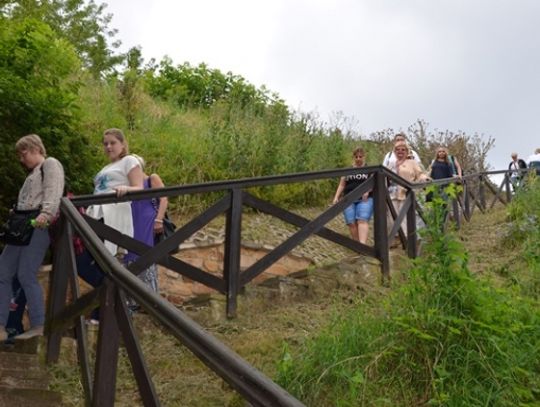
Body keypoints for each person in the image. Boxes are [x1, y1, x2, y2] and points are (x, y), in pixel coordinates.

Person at [0, 134, 65, 341]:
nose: (21, 159)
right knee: (3, 272)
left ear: (36, 147)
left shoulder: (50, 164)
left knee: (26, 274)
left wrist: (46, 214)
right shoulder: (32, 174)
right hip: (21, 228)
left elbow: (53, 191)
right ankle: (1, 326)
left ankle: (38, 324)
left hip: (37, 227)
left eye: (23, 153)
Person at [86, 128, 144, 260]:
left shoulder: (129, 160)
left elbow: (139, 187)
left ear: (122, 144)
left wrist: (126, 188)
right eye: (105, 144)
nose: (108, 147)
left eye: (113, 143)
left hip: (113, 212)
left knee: (106, 257)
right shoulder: (106, 168)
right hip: (96, 212)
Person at [124, 154, 168, 300]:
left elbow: (164, 198)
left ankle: (151, 297)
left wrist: (159, 219)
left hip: (147, 220)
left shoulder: (151, 179)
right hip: (132, 219)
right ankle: (132, 299)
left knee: (145, 254)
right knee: (129, 254)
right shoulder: (128, 182)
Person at [387, 141, 430, 238]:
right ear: (394, 152)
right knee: (391, 217)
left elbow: (420, 174)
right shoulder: (391, 163)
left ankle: (407, 240)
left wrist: (424, 178)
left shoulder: (412, 162)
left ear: (407, 152)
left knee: (403, 217)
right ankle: (396, 238)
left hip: (405, 192)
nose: (400, 152)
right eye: (397, 150)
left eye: (403, 150)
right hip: (392, 193)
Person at [332, 147, 373, 244]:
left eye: (360, 156)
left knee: (362, 219)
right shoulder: (348, 170)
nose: (358, 158)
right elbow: (342, 184)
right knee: (351, 222)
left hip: (364, 199)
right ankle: (357, 245)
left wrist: (367, 191)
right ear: (353, 157)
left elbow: (373, 182)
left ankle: (362, 245)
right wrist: (336, 197)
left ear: (364, 157)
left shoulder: (369, 169)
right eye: (356, 157)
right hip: (349, 198)